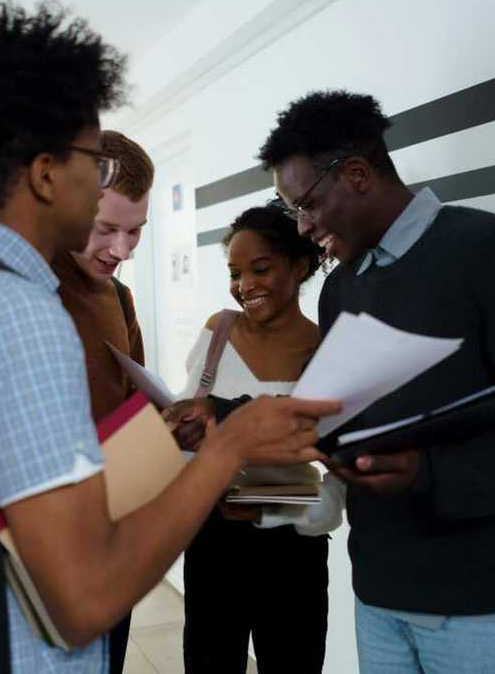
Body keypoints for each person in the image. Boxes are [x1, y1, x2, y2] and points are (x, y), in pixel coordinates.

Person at [0, 0, 339, 672]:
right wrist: (226, 447)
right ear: (46, 173)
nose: (101, 195)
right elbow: (82, 596)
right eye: (93, 161)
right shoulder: (19, 312)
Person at [262, 90, 495, 673]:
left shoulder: (492, 251)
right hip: (379, 595)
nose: (302, 227)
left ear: (357, 174)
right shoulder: (340, 288)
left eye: (309, 206)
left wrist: (431, 473)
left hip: (485, 606)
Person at [175, 203, 344, 674]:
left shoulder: (326, 349)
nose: (244, 285)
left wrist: (270, 502)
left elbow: (337, 481)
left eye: (261, 269)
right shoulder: (218, 330)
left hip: (292, 555)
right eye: (235, 272)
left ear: (300, 264)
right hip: (212, 545)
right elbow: (187, 432)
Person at [50, 129, 152, 674]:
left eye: (136, 232)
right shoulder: (19, 286)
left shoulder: (118, 294)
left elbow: (136, 403)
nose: (121, 251)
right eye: (106, 229)